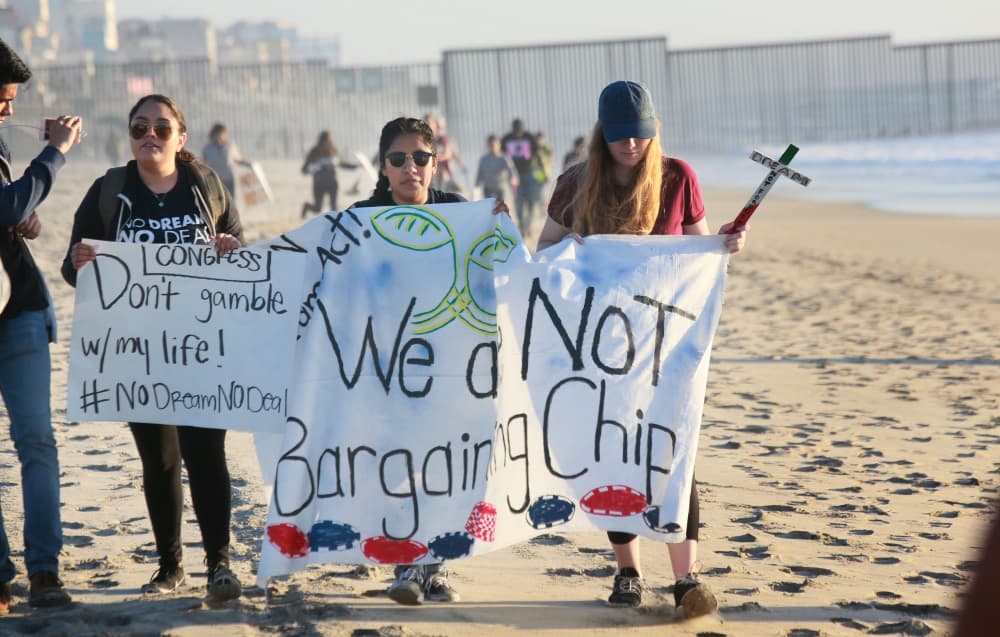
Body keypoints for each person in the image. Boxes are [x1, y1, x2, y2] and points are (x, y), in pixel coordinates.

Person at [537, 80, 747, 618]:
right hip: (599, 342)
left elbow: (696, 248)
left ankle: (686, 578)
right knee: (615, 453)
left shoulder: (678, 177)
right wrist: (573, 248)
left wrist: (724, 244)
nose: (632, 146)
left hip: (666, 343)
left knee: (675, 448)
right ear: (602, 134)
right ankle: (627, 572)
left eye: (641, 135)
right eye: (621, 137)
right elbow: (543, 254)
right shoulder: (575, 183)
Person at [61, 94, 245, 604]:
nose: (150, 135)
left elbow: (240, 254)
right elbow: (73, 270)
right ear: (130, 135)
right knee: (159, 460)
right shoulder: (109, 190)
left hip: (202, 346)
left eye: (162, 129)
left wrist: (230, 249)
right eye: (140, 127)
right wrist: (80, 262)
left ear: (180, 139)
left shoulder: (205, 186)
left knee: (205, 452)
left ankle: (220, 564)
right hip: (136, 350)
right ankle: (171, 566)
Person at [352, 116, 508, 606]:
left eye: (420, 158)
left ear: (435, 163)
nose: (409, 168)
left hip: (453, 368)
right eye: (398, 159)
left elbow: (495, 275)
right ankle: (409, 566)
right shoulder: (362, 216)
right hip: (389, 368)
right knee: (398, 469)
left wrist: (499, 227)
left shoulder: (460, 213)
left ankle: (428, 566)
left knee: (449, 469)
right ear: (384, 165)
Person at [0, 37, 83, 615]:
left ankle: (44, 570)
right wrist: (54, 153)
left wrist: (16, 221)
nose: (7, 110)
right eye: (2, 99)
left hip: (20, 305)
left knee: (37, 441)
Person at [501, 118, 540, 233]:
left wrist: (541, 168)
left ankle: (528, 224)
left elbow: (537, 152)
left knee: (532, 201)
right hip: (514, 176)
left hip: (529, 173)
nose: (518, 134)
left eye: (520, 131)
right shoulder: (507, 139)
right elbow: (501, 153)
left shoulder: (529, 137)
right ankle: (523, 228)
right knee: (518, 202)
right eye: (516, 132)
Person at [300, 130, 348, 217]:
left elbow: (341, 164)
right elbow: (304, 170)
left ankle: (334, 227)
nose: (330, 142)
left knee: (334, 208)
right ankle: (306, 207)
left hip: (332, 183)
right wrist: (318, 167)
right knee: (317, 208)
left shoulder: (333, 150)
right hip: (319, 183)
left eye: (331, 140)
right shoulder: (314, 151)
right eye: (328, 140)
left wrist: (357, 166)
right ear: (322, 141)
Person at [200, 122, 246, 196]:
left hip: (229, 180)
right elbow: (202, 162)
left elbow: (238, 160)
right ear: (213, 134)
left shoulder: (230, 146)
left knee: (231, 203)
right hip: (215, 181)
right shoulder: (207, 148)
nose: (219, 136)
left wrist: (249, 165)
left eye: (222, 134)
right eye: (217, 134)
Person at [474, 134, 518, 205]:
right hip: (488, 189)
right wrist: (476, 187)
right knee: (490, 208)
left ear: (499, 145)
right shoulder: (484, 159)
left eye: (494, 145)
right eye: (491, 145)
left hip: (500, 189)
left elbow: (510, 170)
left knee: (500, 208)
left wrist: (512, 179)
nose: (493, 147)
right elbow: (480, 174)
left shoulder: (503, 158)